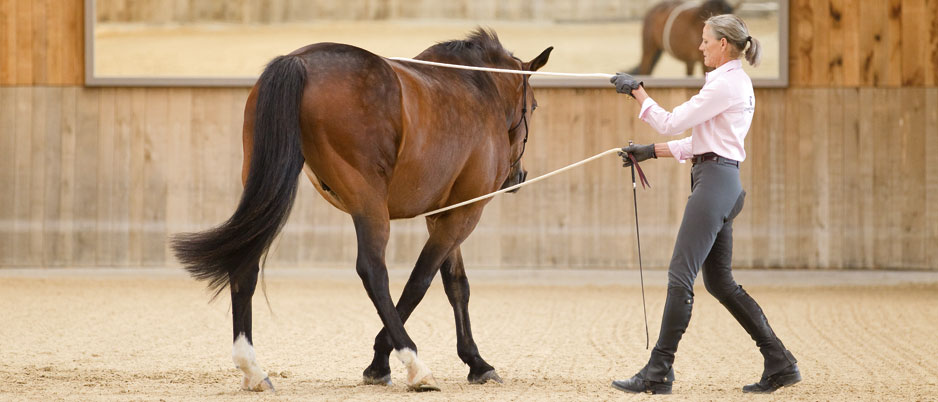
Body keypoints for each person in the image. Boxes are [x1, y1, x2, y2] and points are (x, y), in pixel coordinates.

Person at [608, 14, 800, 395]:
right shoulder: (735, 83)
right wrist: (651, 152)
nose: (700, 47)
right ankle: (780, 361)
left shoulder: (724, 86)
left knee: (681, 277)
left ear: (723, 45)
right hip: (722, 182)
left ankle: (658, 370)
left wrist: (638, 92)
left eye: (705, 41)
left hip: (713, 186)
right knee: (720, 282)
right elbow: (702, 143)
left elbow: (670, 121)